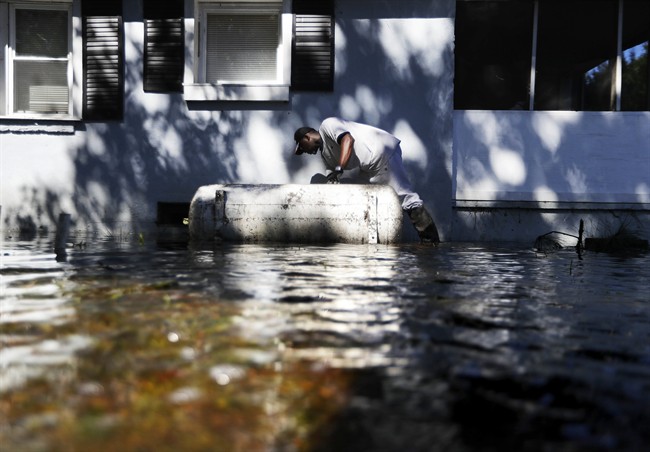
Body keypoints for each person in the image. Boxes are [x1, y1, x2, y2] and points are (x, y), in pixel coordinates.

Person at [293, 117, 440, 243]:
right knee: (355, 190)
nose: (305, 152)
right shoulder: (326, 156)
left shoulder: (327, 125)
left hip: (382, 151)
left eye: (303, 148)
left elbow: (347, 140)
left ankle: (430, 243)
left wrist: (339, 168)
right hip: (368, 165)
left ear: (307, 137)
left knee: (405, 198)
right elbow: (333, 184)